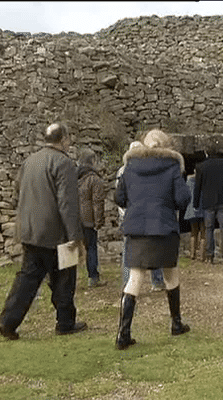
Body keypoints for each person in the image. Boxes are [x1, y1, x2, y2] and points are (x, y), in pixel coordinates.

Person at [0, 122, 87, 339]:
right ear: (64, 139)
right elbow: (68, 203)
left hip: (30, 230)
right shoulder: (63, 163)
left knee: (27, 279)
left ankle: (7, 322)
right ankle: (65, 322)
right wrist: (75, 236)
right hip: (55, 232)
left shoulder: (30, 161)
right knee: (65, 277)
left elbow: (17, 193)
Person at [114, 129, 191, 350]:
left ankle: (123, 334)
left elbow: (119, 197)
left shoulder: (130, 166)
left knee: (135, 279)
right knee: (170, 274)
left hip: (137, 228)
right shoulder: (172, 166)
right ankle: (176, 324)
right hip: (164, 227)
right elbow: (183, 198)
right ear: (166, 146)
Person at [116, 142, 166, 292]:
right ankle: (156, 281)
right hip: (146, 215)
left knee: (129, 249)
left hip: (129, 215)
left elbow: (119, 196)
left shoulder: (122, 171)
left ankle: (128, 284)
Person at [193, 150, 223, 266]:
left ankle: (209, 256)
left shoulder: (201, 166)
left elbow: (197, 186)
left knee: (209, 229)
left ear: (207, 154)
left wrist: (195, 203)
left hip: (208, 201)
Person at [77, 148, 107, 288]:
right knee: (91, 248)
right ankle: (93, 277)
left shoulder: (73, 177)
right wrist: (98, 221)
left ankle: (68, 280)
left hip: (74, 218)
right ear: (93, 161)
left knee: (72, 248)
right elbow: (97, 202)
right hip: (88, 220)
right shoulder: (94, 179)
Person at [183, 173, 206, 261]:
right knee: (203, 233)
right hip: (202, 208)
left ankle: (192, 254)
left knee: (193, 232)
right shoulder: (203, 182)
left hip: (191, 209)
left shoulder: (189, 182)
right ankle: (201, 255)